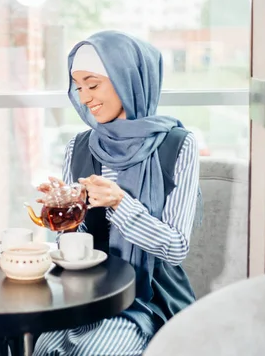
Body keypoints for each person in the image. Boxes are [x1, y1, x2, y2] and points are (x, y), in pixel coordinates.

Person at [34, 31, 201, 356]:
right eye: (78, 86)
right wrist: (66, 213)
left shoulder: (178, 144)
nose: (84, 98)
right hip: (85, 295)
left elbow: (176, 249)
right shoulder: (78, 147)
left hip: (146, 300)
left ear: (127, 78)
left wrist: (120, 204)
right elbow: (71, 248)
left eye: (92, 84)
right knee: (44, 347)